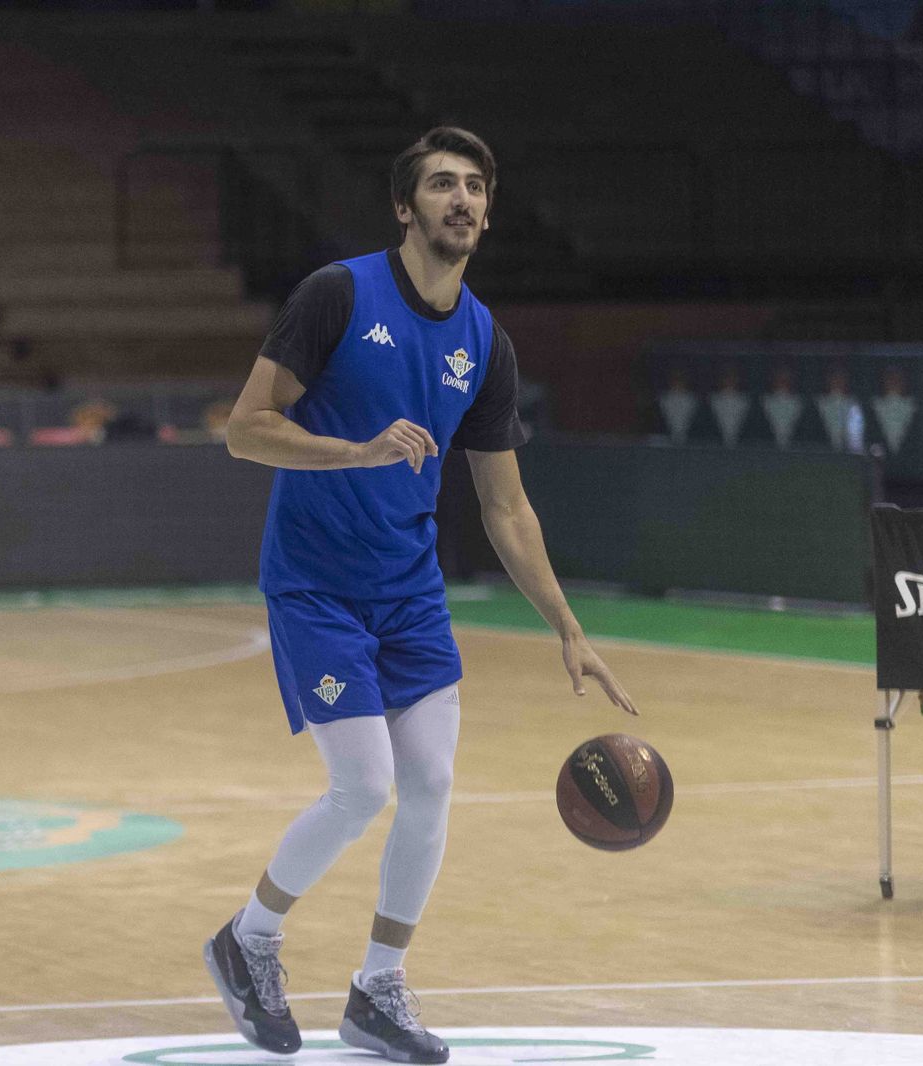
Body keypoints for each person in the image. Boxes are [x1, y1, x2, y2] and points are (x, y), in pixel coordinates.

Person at [205, 127, 638, 1063]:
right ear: (405, 207)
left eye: (476, 187)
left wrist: (568, 627)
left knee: (433, 787)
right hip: (317, 585)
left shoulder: (484, 341)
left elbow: (506, 505)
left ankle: (378, 988)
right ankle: (249, 940)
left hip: (408, 594)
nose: (463, 199)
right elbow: (244, 430)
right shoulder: (337, 295)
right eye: (443, 184)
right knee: (364, 787)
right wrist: (355, 451)